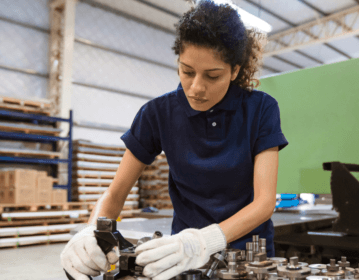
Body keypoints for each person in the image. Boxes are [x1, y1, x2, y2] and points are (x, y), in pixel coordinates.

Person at [60, 0, 289, 279]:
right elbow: (115, 194)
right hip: (180, 259)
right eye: (187, 71)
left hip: (249, 260)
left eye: (212, 75)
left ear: (235, 70)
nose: (196, 88)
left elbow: (264, 203)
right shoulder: (157, 114)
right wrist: (91, 232)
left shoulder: (261, 110)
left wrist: (203, 242)